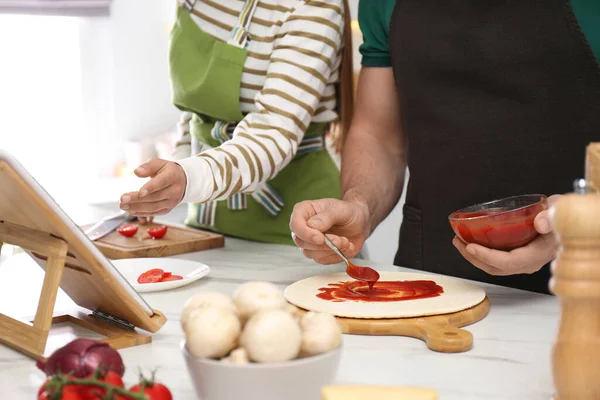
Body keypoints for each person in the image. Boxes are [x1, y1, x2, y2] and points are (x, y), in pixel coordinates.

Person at [289, 0, 600, 294]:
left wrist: (578, 222)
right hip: (431, 278)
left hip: (580, 282)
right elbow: (378, 134)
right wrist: (361, 206)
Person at [119, 0, 354, 246]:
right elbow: (200, 108)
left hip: (298, 230)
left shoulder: (313, 6)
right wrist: (170, 177)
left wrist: (188, 177)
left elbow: (271, 134)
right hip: (205, 222)